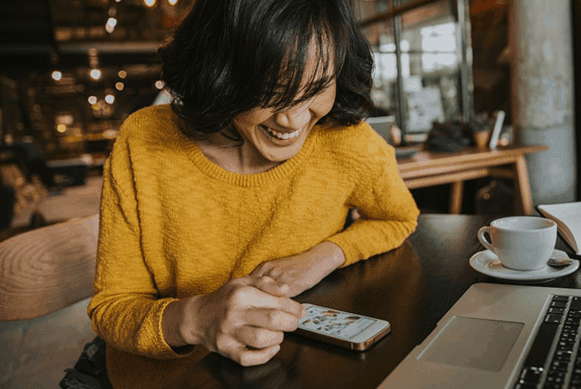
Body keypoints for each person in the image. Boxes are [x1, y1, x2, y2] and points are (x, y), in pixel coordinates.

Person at [60, 1, 419, 388]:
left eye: (317, 88)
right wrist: (197, 318)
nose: (294, 121)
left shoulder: (348, 143)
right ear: (220, 73)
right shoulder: (144, 142)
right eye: (272, 91)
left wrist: (321, 257)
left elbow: (397, 218)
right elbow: (112, 309)